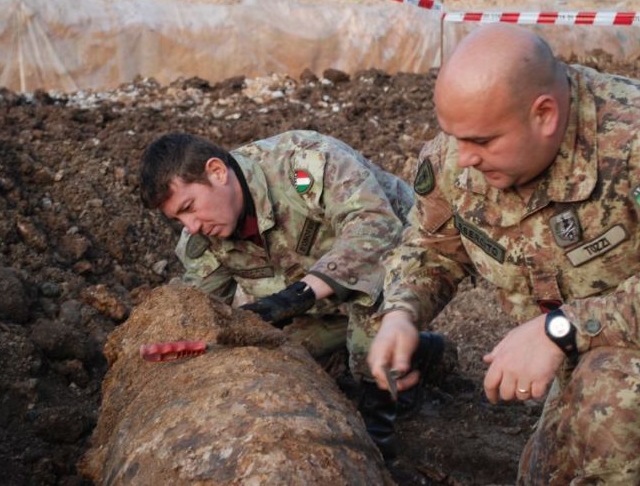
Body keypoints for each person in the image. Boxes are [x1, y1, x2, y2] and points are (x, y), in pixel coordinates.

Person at [368, 25, 640, 484]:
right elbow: (431, 248)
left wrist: (560, 329)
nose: (462, 157)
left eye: (482, 141)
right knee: (550, 474)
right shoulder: (458, 156)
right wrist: (402, 313)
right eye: (454, 136)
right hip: (592, 348)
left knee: (612, 403)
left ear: (544, 115)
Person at [139, 130, 444, 459]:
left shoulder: (303, 163)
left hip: (403, 268)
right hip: (321, 300)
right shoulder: (202, 241)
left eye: (189, 207)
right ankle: (421, 349)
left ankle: (382, 440)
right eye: (178, 218)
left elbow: (376, 229)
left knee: (368, 339)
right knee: (275, 354)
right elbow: (200, 312)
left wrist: (294, 297)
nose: (192, 226)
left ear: (217, 172)